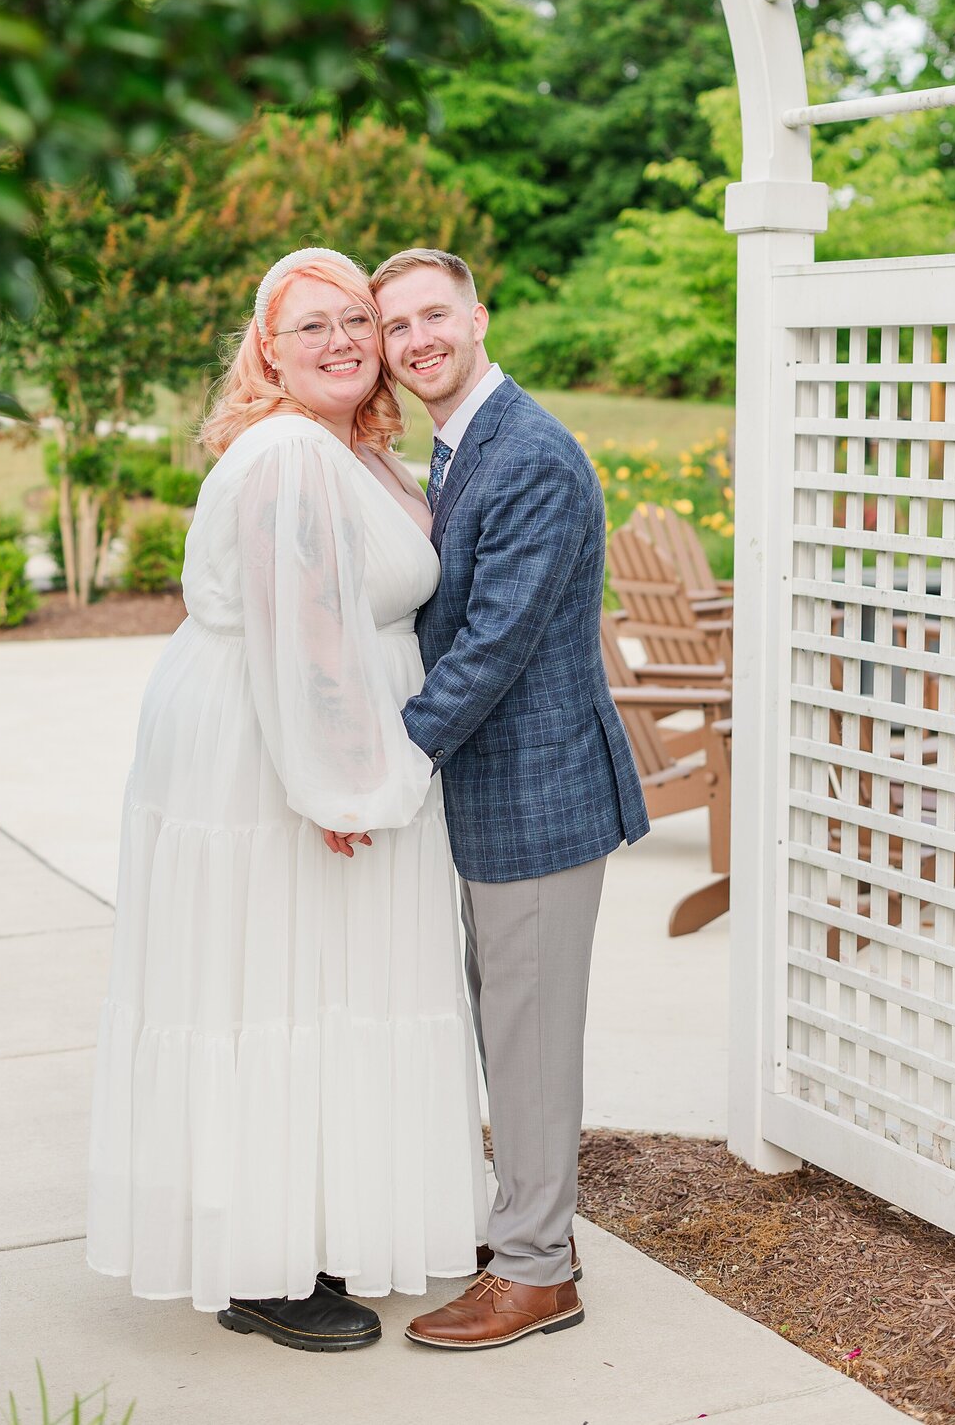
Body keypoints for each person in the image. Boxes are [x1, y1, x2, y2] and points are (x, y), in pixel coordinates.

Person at [86, 247, 488, 1352]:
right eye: (309, 326)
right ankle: (260, 1263)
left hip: (324, 731)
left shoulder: (346, 452)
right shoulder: (286, 456)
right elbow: (305, 633)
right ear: (265, 347)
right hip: (277, 752)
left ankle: (322, 1215)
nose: (343, 340)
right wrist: (342, 782)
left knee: (328, 984)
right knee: (273, 984)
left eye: (355, 319)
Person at [371, 247, 650, 1352]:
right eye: (396, 326)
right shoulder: (462, 443)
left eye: (432, 314)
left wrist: (389, 762)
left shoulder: (527, 453)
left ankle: (537, 1272)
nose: (415, 338)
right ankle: (536, 1233)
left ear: (479, 316)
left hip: (537, 797)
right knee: (509, 1027)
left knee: (528, 1042)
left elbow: (492, 647)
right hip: (501, 797)